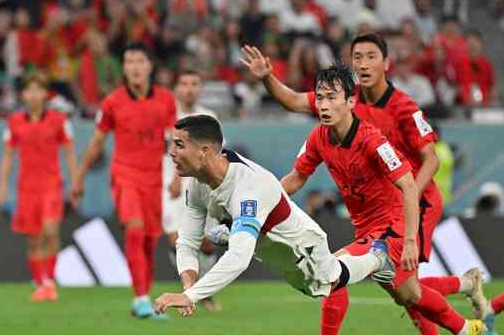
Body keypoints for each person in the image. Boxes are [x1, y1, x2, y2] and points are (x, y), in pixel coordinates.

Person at [241, 34, 488, 335]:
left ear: (350, 101)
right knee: (409, 294)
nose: (323, 105)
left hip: (395, 223)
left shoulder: (377, 136)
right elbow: (297, 178)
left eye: (331, 99)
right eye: (321, 99)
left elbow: (410, 186)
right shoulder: (318, 135)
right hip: (367, 226)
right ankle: (466, 329)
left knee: (333, 271)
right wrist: (262, 205)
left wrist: (411, 241)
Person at [154, 114, 396, 321]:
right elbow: (187, 241)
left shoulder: (248, 190)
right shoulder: (198, 184)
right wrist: (189, 286)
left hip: (303, 247)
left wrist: (190, 296)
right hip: (270, 250)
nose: (171, 152)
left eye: (179, 145)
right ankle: (231, 230)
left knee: (328, 281)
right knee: (310, 285)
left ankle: (377, 258)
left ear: (204, 152)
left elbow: (238, 258)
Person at [71, 42, 176, 319]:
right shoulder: (112, 102)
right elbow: (96, 143)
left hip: (154, 179)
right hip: (124, 174)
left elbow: (175, 142)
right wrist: (79, 178)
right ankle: (141, 298)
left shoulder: (166, 100)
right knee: (134, 230)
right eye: (129, 62)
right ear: (124, 69)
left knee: (150, 241)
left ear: (149, 66)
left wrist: (177, 175)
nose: (135, 67)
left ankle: (142, 297)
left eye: (139, 61)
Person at [0, 72, 79, 303]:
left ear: (45, 94)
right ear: (23, 94)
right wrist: (2, 186)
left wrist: (76, 181)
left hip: (52, 185)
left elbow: (70, 152)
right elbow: (7, 155)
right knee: (33, 239)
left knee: (50, 231)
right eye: (29, 90)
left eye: (38, 90)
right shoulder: (14, 122)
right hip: (26, 188)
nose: (34, 95)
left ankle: (50, 282)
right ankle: (41, 283)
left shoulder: (60, 120)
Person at [163, 70, 221, 311]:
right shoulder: (166, 113)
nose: (188, 88)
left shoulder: (209, 117)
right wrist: (175, 178)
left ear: (200, 88)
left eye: (194, 84)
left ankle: (203, 290)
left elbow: (213, 154)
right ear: (177, 87)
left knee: (205, 244)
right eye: (184, 83)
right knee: (176, 239)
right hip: (170, 185)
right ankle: (189, 288)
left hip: (200, 186)